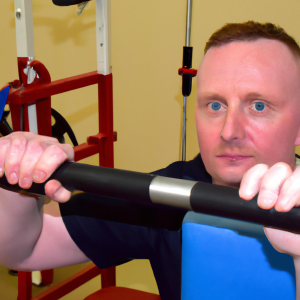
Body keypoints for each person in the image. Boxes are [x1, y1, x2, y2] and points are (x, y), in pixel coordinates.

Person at [1, 21, 300, 300]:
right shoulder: (169, 194)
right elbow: (25, 250)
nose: (229, 131)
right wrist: (17, 175)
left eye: (259, 106)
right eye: (215, 105)